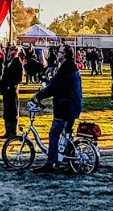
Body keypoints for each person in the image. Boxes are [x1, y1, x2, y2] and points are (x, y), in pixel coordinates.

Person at [32, 44, 83, 175]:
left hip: (64, 106)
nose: (57, 54)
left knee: (54, 134)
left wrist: (39, 95)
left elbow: (54, 87)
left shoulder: (65, 69)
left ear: (65, 54)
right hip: (73, 105)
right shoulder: (71, 67)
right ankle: (65, 159)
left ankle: (51, 162)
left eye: (60, 52)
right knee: (66, 133)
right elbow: (58, 85)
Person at [0, 44, 23, 140]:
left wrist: (10, 85)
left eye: (13, 50)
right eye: (11, 50)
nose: (11, 52)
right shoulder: (8, 62)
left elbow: (19, 78)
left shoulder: (18, 63)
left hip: (12, 91)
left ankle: (13, 131)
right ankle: (8, 131)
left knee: (13, 111)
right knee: (7, 111)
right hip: (6, 91)